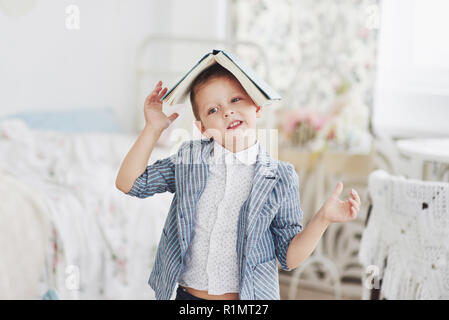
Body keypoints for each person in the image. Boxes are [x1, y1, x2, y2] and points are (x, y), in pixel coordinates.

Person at [115, 63, 361, 300]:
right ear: (202, 128)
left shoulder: (280, 178)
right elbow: (130, 183)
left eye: (235, 100)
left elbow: (290, 258)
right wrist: (153, 128)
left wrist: (323, 218)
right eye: (213, 110)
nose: (227, 111)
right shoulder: (190, 159)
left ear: (256, 106)